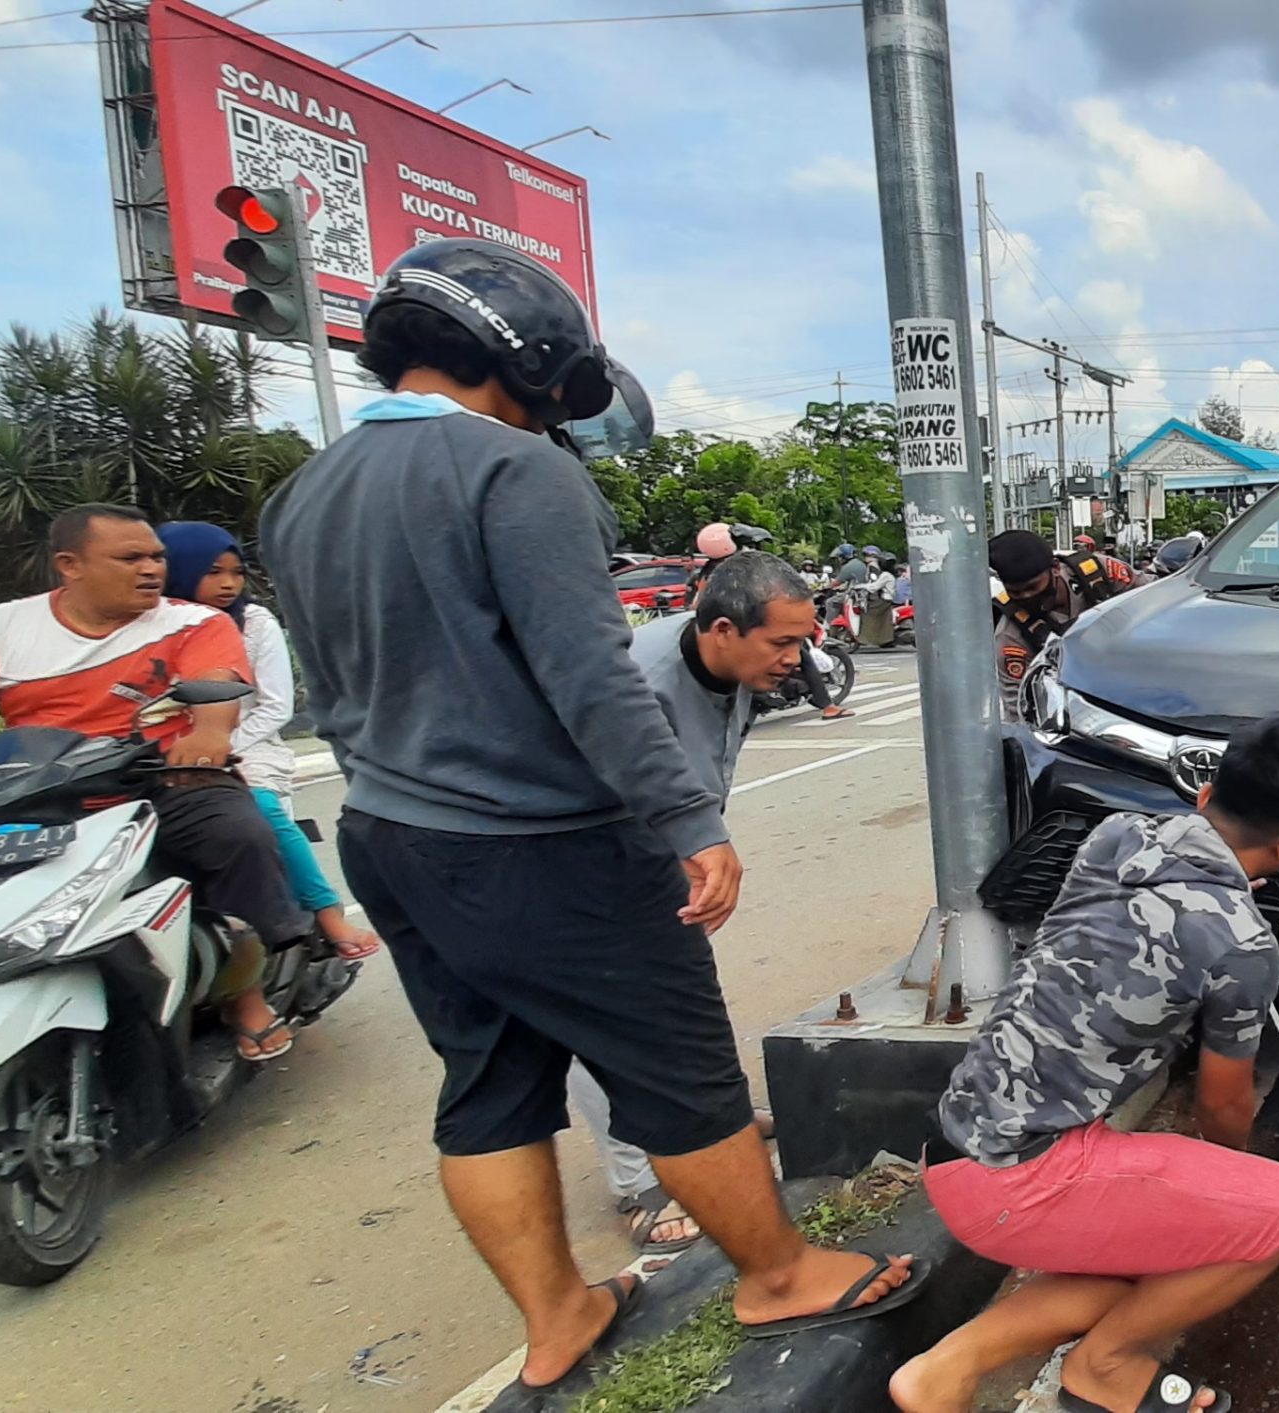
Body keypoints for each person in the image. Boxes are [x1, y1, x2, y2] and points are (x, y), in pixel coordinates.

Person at [259, 237, 923, 1393]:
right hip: (539, 839)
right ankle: (777, 1275)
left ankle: (559, 1312)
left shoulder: (302, 493)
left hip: (391, 835)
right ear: (529, 359)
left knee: (488, 1086)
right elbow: (592, 676)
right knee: (678, 1064)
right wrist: (689, 821)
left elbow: (330, 690)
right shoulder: (515, 470)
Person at [889, 718, 1279, 1413]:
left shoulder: (1116, 837)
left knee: (1137, 1268)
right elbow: (1222, 1106)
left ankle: (944, 1369)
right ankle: (1105, 1365)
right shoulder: (1242, 942)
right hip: (1023, 1178)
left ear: (1205, 793)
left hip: (955, 1145)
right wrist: (1227, 1194)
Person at [564, 550, 818, 1254]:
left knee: (683, 995)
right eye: (782, 642)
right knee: (606, 1018)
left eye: (801, 641)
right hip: (597, 859)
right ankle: (638, 1178)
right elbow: (597, 793)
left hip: (671, 854)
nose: (795, 659)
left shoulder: (731, 665)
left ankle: (716, 1117)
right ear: (725, 629)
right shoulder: (638, 681)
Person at [0, 505, 312, 1062]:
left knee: (237, 836)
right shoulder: (9, 626)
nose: (151, 569)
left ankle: (246, 992)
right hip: (46, 794)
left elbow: (217, 686)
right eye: (130, 558)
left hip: (168, 779)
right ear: (70, 565)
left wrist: (208, 734)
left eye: (156, 557)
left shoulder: (193, 622)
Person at [156, 521, 381, 964]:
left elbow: (276, 707)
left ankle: (327, 912)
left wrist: (219, 746)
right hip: (159, 756)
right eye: (213, 572)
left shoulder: (255, 623)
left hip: (249, 744)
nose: (228, 584)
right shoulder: (151, 625)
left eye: (236, 572)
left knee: (258, 806)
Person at [988, 528, 1144, 720]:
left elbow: (1159, 603)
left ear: (1055, 568)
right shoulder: (1012, 636)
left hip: (1140, 671)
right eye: (1016, 592)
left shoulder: (1099, 574)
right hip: (1083, 707)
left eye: (1033, 587)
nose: (1027, 597)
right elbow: (1019, 710)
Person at [696, 522, 844, 719]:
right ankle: (826, 705)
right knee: (803, 654)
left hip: (713, 625)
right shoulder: (742, 567)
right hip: (745, 621)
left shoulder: (707, 570)